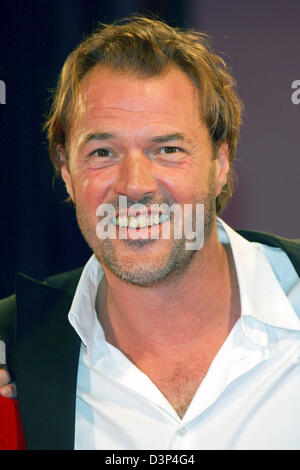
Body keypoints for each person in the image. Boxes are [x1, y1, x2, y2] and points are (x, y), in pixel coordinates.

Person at [0, 15, 299, 450]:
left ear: (220, 163)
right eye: (103, 151)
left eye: (167, 150)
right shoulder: (15, 346)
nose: (135, 185)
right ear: (66, 172)